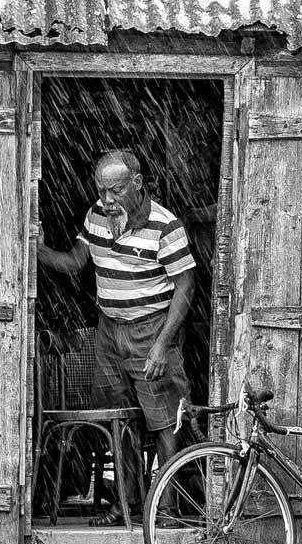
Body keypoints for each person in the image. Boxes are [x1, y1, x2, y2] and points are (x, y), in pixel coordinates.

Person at [37, 147, 196, 469]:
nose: (107, 199)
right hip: (109, 330)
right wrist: (38, 248)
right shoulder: (96, 215)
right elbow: (75, 262)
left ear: (137, 182)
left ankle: (164, 509)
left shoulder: (166, 226)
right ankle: (128, 503)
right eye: (101, 190)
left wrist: (162, 346)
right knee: (115, 417)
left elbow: (186, 287)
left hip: (151, 329)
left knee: (165, 418)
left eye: (116, 190)